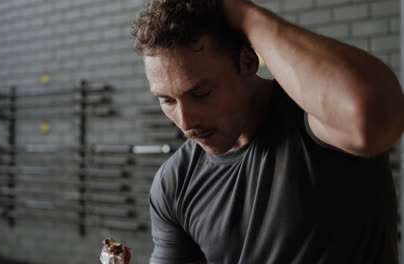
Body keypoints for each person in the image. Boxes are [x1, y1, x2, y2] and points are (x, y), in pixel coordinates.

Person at [131, 0, 404, 263]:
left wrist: (244, 14)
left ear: (248, 62)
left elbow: (371, 120)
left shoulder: (318, 122)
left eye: (201, 93)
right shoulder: (175, 182)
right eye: (167, 100)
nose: (185, 121)